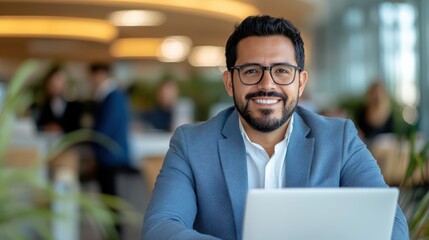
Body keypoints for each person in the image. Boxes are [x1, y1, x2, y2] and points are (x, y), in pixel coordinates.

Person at [142, 15, 409, 240]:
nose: (267, 84)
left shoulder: (339, 139)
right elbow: (161, 228)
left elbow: (392, 226)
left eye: (282, 71)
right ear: (229, 82)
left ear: (300, 82)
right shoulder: (191, 144)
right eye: (250, 71)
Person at [87, 62, 130, 236]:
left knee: (111, 198)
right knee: (108, 197)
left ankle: (115, 234)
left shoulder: (113, 96)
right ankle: (112, 232)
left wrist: (89, 136)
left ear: (101, 74)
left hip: (110, 155)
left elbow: (106, 127)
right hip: (108, 154)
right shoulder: (108, 95)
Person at [35, 65, 82, 133]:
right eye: (53, 82)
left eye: (59, 81)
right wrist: (47, 128)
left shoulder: (75, 106)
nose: (56, 85)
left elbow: (77, 129)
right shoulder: (40, 105)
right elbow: (36, 126)